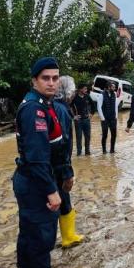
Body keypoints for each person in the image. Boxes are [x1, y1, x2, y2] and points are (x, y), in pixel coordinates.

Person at [12, 57, 72, 268]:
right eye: (45, 78)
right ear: (34, 80)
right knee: (40, 242)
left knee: (28, 236)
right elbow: (37, 158)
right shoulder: (34, 110)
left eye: (55, 77)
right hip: (37, 183)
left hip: (31, 180)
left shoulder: (43, 105)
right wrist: (52, 191)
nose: (51, 82)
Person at [53, 75, 85, 248]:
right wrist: (67, 172)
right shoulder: (62, 110)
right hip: (58, 167)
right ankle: (68, 237)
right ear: (68, 92)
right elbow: (63, 143)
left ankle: (67, 236)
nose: (73, 93)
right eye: (72, 90)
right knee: (62, 199)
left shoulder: (54, 106)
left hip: (52, 165)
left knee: (62, 200)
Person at [95, 82, 119, 154]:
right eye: (113, 87)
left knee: (114, 134)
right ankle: (104, 150)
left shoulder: (114, 94)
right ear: (109, 87)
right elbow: (99, 107)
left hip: (113, 118)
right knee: (105, 135)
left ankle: (112, 150)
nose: (114, 89)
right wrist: (102, 118)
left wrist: (116, 116)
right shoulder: (101, 95)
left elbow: (116, 106)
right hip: (105, 119)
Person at [71, 83, 94, 156]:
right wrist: (73, 116)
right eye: (85, 89)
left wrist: (91, 114)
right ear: (80, 89)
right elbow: (68, 107)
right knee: (79, 137)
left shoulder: (87, 96)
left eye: (86, 89)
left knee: (88, 136)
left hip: (87, 119)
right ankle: (79, 153)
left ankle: (87, 152)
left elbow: (93, 105)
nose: (86, 90)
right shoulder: (74, 97)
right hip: (78, 121)